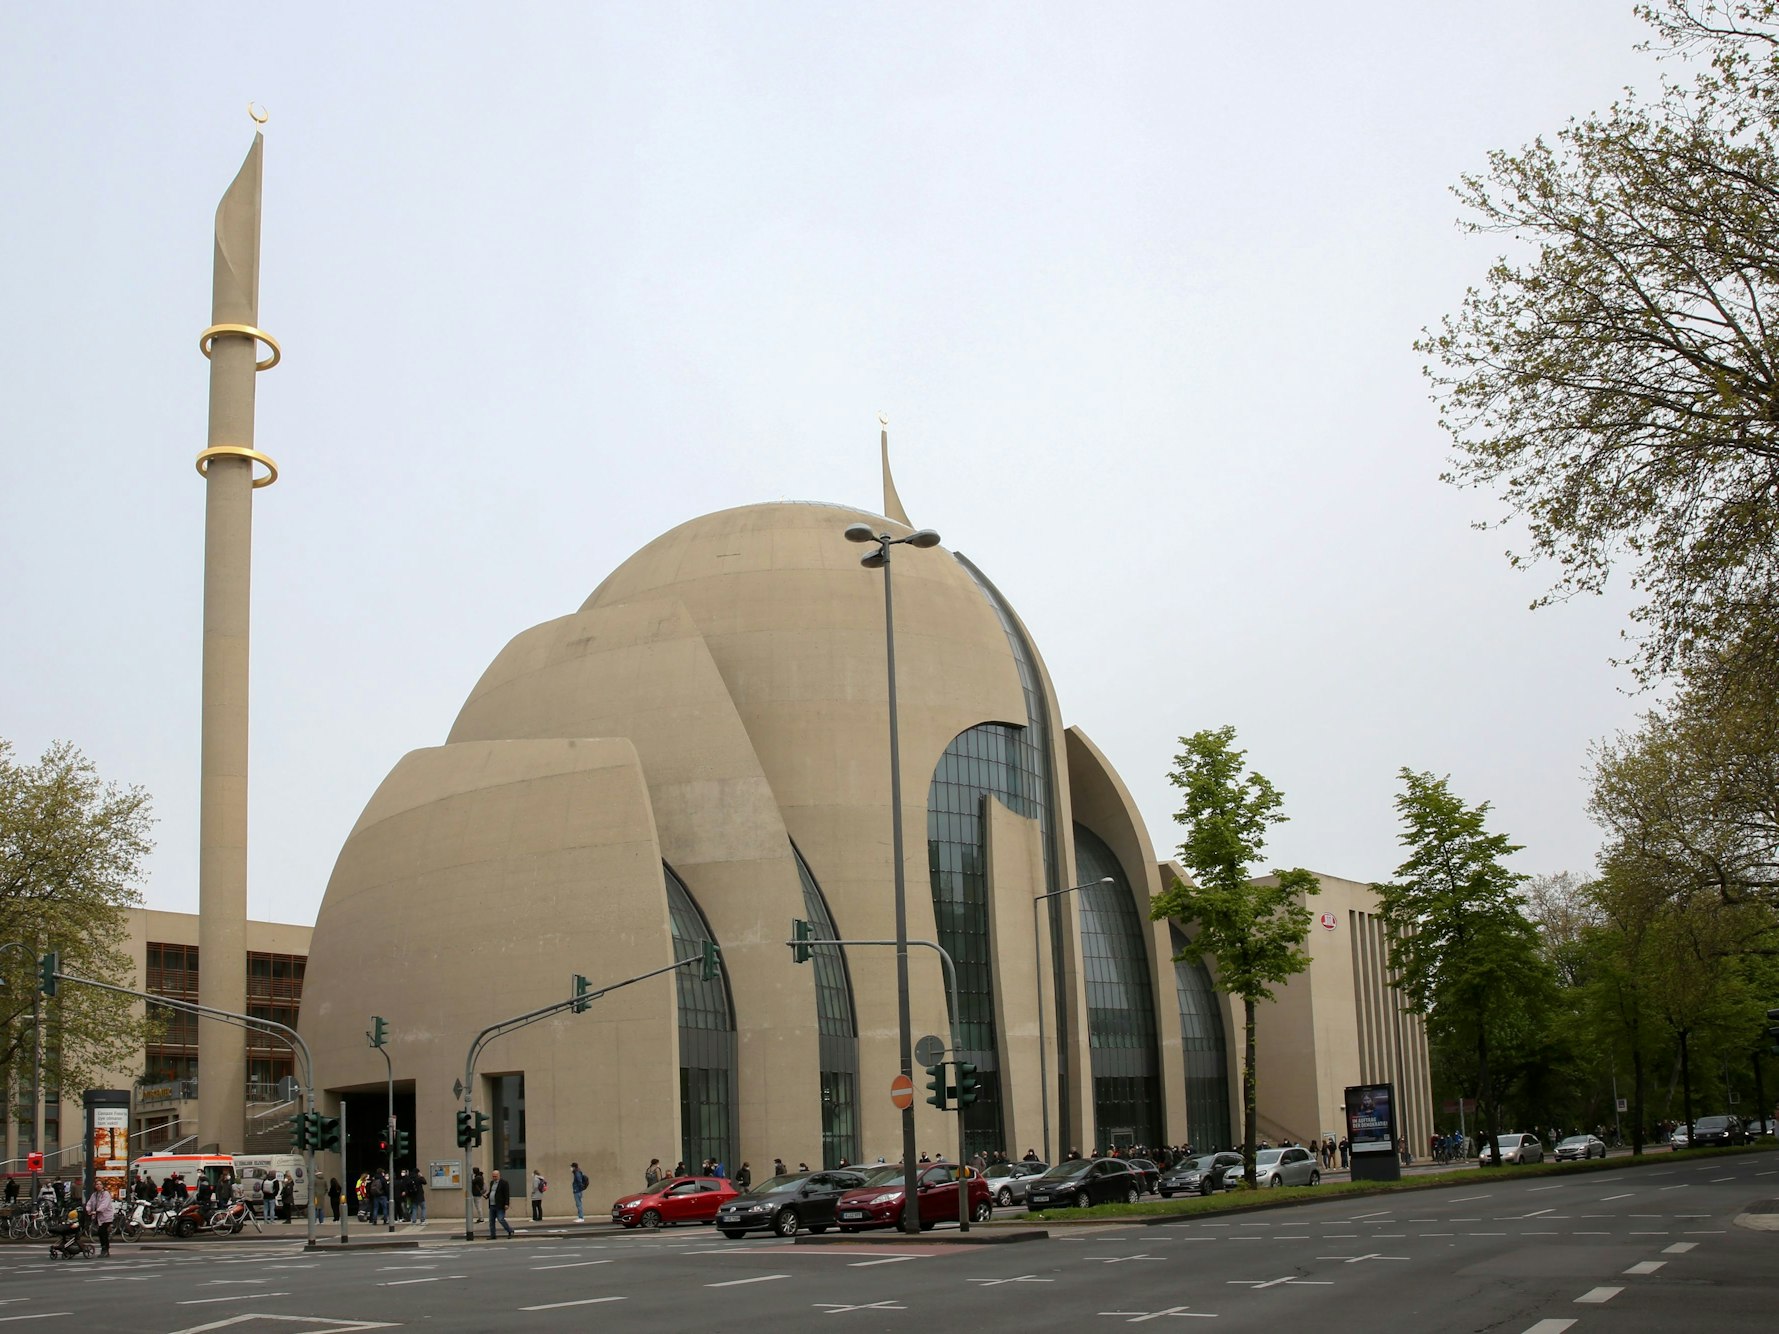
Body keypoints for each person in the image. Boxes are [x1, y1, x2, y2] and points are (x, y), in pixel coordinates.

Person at [84, 1183, 114, 1257]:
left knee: (102, 1232)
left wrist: (97, 1211)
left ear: (103, 1186)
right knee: (101, 1233)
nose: (98, 1186)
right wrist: (88, 1210)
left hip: (106, 1216)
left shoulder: (106, 1194)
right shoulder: (94, 1195)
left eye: (100, 1184)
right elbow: (90, 1203)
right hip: (98, 1217)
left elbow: (104, 1204)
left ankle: (105, 1249)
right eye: (97, 1184)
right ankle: (104, 1248)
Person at [487, 1169, 513, 1239]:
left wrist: (506, 1204)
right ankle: (493, 1235)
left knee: (500, 1219)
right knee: (491, 1221)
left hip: (500, 1205)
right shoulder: (492, 1182)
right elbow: (491, 1191)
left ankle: (510, 1230)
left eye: (495, 1176)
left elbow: (506, 1194)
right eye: (493, 1176)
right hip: (492, 1205)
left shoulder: (504, 1183)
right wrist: (487, 1196)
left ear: (499, 1176)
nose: (494, 1178)